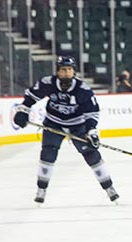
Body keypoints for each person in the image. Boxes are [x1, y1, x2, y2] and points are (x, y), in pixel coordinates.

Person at [12, 56, 120, 203]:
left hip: (78, 125)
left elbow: (91, 113)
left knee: (91, 154)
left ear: (74, 72)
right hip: (53, 123)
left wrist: (92, 132)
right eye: (63, 70)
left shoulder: (83, 89)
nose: (67, 72)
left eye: (69, 69)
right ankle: (41, 189)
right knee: (48, 154)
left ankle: (109, 188)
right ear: (58, 71)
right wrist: (23, 110)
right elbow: (31, 97)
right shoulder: (48, 83)